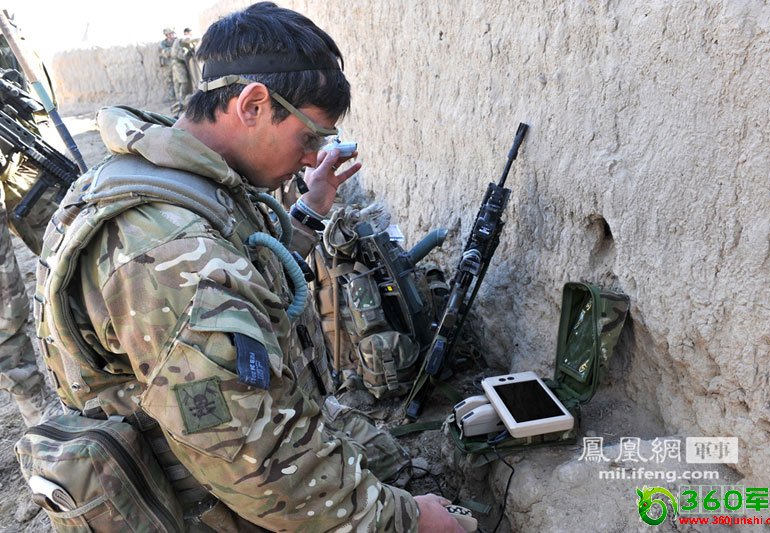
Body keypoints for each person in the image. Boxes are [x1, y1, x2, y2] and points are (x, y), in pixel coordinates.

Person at [35, 2, 465, 531]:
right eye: (310, 137)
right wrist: (406, 521)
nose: (313, 157)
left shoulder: (166, 175)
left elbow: (243, 266)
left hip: (223, 448)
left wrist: (309, 211)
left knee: (384, 457)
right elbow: (251, 463)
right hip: (209, 499)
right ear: (254, 104)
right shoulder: (168, 250)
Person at [0, 39, 61, 427]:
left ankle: (102, 372)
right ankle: (37, 408)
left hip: (16, 142)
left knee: (71, 250)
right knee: (4, 300)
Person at [158, 28, 177, 101]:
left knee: (178, 81)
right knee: (169, 81)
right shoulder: (163, 43)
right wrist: (173, 50)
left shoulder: (176, 41)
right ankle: (172, 97)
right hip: (167, 65)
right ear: (167, 35)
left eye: (172, 33)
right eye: (170, 34)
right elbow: (165, 53)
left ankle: (179, 97)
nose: (172, 35)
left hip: (177, 64)